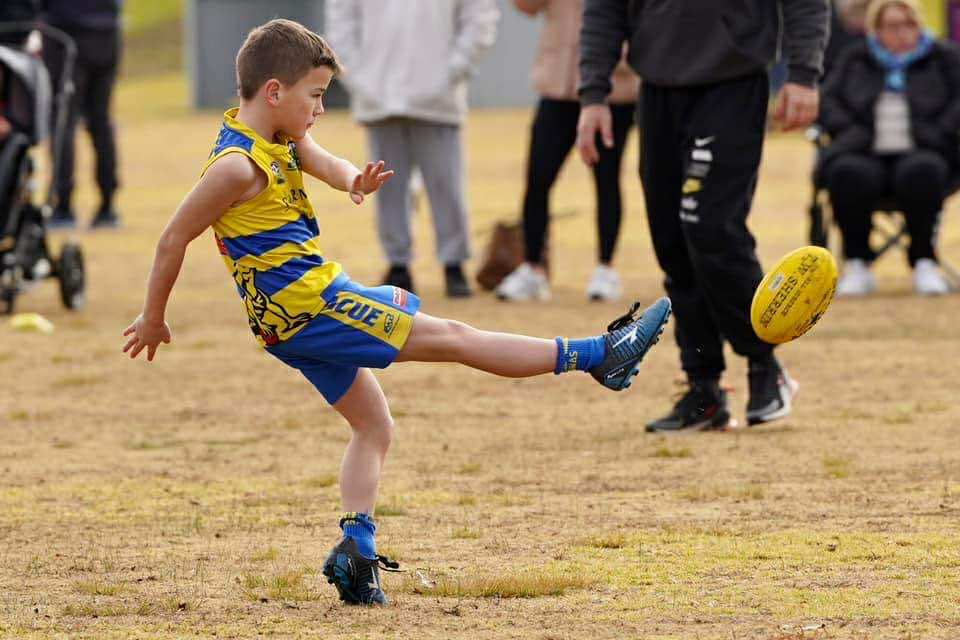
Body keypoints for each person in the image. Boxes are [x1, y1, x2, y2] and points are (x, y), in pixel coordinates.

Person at [121, 19, 671, 606]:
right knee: (456, 336)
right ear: (275, 92)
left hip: (291, 323)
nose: (321, 109)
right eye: (315, 96)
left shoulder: (277, 138)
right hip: (315, 308)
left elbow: (322, 159)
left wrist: (352, 179)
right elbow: (172, 238)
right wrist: (153, 317)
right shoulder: (235, 166)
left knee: (374, 426)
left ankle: (355, 553)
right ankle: (598, 356)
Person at [577, 0, 829, 433]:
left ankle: (764, 365)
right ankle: (703, 388)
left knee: (711, 225)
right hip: (658, 89)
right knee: (670, 237)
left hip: (732, 83)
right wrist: (593, 95)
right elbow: (604, 9)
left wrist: (803, 75)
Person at [325, 0, 499, 298]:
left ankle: (454, 262)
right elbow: (341, 24)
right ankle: (398, 263)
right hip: (378, 93)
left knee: (446, 183)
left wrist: (454, 69)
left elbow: (478, 18)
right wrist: (358, 77)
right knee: (386, 186)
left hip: (438, 98)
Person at [495, 0, 638, 302]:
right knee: (538, 177)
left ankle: (605, 268)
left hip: (611, 86)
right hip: (558, 82)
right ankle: (533, 267)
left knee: (607, 179)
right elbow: (525, 6)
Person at [820, 0, 958, 297]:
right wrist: (853, 132)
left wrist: (937, 131)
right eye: (893, 26)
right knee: (847, 172)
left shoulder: (943, 57)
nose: (902, 33)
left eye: (909, 24)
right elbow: (828, 101)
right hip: (863, 149)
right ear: (876, 29)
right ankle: (857, 262)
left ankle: (924, 261)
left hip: (924, 149)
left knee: (922, 171)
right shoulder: (855, 58)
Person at [41, 0, 123, 230]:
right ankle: (108, 205)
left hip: (66, 33)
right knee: (100, 122)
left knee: (63, 121)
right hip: (107, 32)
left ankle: (63, 206)